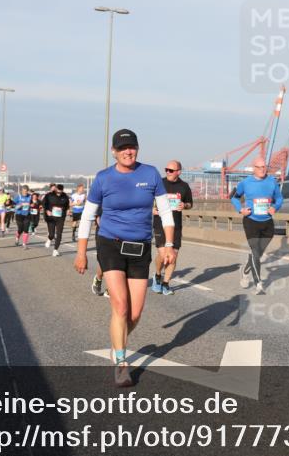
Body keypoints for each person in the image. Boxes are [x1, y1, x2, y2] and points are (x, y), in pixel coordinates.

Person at [73, 129, 176, 387]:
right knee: (120, 305)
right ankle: (121, 362)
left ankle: (117, 341)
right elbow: (87, 216)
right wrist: (81, 252)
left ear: (138, 148)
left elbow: (165, 211)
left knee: (135, 313)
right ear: (114, 152)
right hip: (110, 244)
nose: (128, 151)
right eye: (122, 148)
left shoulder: (150, 173)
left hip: (140, 247)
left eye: (132, 147)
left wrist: (168, 245)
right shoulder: (103, 178)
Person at [230, 157, 283, 294]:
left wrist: (275, 207)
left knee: (257, 254)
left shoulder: (272, 182)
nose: (262, 169)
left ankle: (246, 269)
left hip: (267, 222)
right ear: (253, 168)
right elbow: (234, 197)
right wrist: (240, 209)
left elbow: (280, 198)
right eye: (259, 167)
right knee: (255, 252)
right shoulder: (245, 183)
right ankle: (258, 283)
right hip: (251, 221)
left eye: (264, 167)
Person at [151, 160, 193, 295]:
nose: (167, 172)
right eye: (166, 169)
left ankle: (166, 283)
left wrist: (184, 206)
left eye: (171, 170)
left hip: (176, 225)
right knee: (163, 255)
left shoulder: (184, 186)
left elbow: (190, 203)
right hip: (159, 223)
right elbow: (147, 199)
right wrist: (151, 209)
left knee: (173, 256)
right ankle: (157, 275)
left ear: (178, 172)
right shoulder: (160, 183)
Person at [41, 183, 71, 257]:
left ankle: (55, 250)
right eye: (58, 191)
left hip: (60, 217)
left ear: (62, 191)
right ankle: (49, 239)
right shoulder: (49, 195)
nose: (59, 193)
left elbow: (67, 205)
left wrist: (67, 210)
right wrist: (47, 210)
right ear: (55, 189)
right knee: (51, 234)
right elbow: (44, 203)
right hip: (51, 217)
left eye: (60, 192)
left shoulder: (65, 196)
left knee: (59, 233)